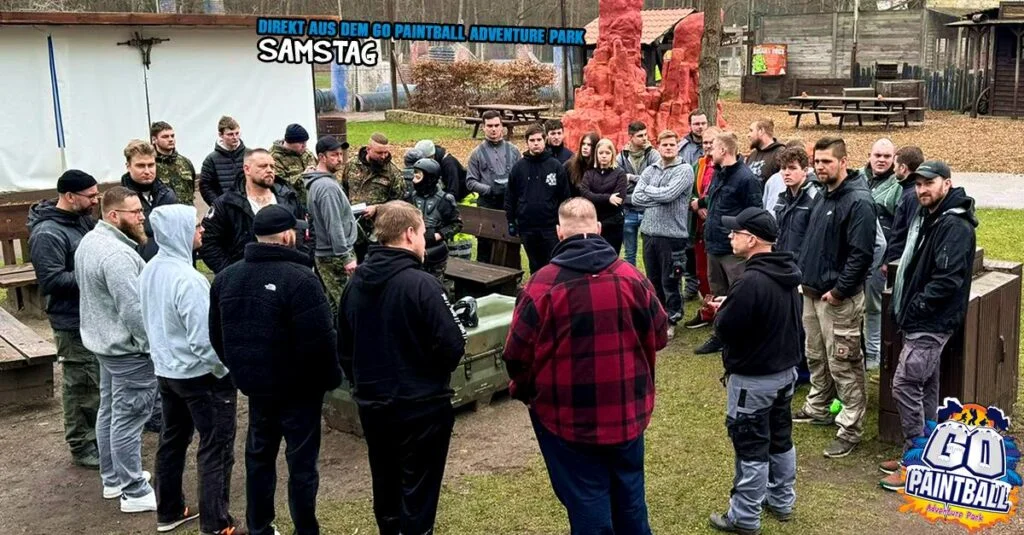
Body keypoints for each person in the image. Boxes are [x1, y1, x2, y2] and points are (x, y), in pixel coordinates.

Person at [503, 197, 668, 535]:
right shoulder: (632, 278)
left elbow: (516, 356)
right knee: (630, 497)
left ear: (559, 233)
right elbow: (659, 334)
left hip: (568, 417)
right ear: (599, 229)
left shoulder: (541, 286)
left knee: (588, 501)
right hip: (625, 411)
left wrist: (526, 391)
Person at [210, 205, 341, 535]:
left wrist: (242, 369)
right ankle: (305, 529)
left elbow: (217, 336)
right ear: (286, 236)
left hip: (257, 388)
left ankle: (259, 526)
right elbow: (321, 341)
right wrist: (329, 379)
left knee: (259, 457)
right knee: (302, 464)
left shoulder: (226, 278)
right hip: (300, 392)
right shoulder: (302, 280)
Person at [338, 200, 467, 535]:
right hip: (421, 406)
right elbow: (452, 344)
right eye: (422, 233)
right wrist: (431, 376)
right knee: (419, 491)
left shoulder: (354, 284)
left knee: (386, 483)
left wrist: (362, 383)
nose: (424, 241)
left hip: (374, 405)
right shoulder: (422, 285)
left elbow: (345, 346)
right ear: (410, 234)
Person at [139, 204, 241, 534]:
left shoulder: (151, 269)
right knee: (216, 447)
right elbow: (203, 339)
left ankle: (168, 509)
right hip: (200, 376)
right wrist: (223, 370)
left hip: (167, 372)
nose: (202, 231)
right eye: (196, 226)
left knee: (172, 440)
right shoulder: (190, 280)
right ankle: (217, 523)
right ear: (179, 232)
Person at [879, 161, 978, 491]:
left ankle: (915, 462)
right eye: (918, 184)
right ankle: (932, 454)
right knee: (925, 387)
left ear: (946, 184)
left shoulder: (954, 225)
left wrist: (916, 306)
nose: (922, 190)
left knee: (905, 384)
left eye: (929, 183)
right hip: (923, 319)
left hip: (930, 322)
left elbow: (947, 280)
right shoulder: (931, 217)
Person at [707, 207, 802, 534]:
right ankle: (782, 500)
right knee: (780, 439)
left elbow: (726, 328)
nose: (730, 236)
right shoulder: (787, 271)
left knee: (751, 448)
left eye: (735, 232)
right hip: (785, 373)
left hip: (754, 380)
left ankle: (744, 517)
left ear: (752, 239)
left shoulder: (750, 281)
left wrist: (723, 311)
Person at [793, 137, 876, 459]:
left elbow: (861, 254)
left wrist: (840, 290)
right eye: (817, 161)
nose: (820, 167)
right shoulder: (822, 194)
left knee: (844, 362)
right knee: (815, 355)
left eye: (827, 161)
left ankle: (850, 427)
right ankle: (820, 406)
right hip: (811, 293)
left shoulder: (858, 201)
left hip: (838, 300)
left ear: (843, 161)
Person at [75, 186, 156, 512]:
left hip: (103, 344)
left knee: (110, 411)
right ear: (113, 215)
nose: (142, 218)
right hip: (127, 351)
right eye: (135, 213)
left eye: (141, 211)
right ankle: (134, 491)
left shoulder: (90, 241)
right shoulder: (118, 256)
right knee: (129, 419)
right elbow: (134, 311)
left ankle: (113, 479)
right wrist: (150, 346)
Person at [27, 170, 100, 468]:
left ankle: (98, 436)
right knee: (80, 383)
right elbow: (52, 280)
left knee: (96, 380)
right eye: (90, 196)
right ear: (70, 197)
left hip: (91, 313)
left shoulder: (81, 220)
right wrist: (95, 274)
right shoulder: (48, 234)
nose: (95, 200)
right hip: (70, 320)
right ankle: (81, 444)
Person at [695, 131, 763, 355]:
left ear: (723, 150)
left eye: (713, 147)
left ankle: (744, 338)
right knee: (718, 292)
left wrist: (744, 241)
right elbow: (716, 200)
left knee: (739, 294)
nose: (709, 151)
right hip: (713, 244)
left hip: (733, 250)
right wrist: (700, 203)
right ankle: (720, 335)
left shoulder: (746, 178)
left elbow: (755, 212)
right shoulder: (718, 173)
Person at [199, 148, 309, 274]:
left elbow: (306, 232)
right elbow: (208, 242)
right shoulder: (227, 203)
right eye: (263, 166)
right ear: (247, 169)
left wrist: (301, 264)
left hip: (288, 274)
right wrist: (231, 273)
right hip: (245, 275)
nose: (269, 170)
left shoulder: (289, 197)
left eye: (272, 166)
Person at [632, 129, 695, 339]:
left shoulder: (684, 170)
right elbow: (636, 198)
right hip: (649, 233)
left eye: (672, 144)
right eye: (664, 145)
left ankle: (671, 319)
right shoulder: (651, 169)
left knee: (670, 281)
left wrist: (650, 190)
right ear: (658, 146)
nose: (668, 148)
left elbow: (669, 195)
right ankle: (656, 317)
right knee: (653, 280)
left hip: (672, 236)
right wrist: (658, 195)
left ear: (677, 147)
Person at [303, 136, 360, 320]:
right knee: (349, 305)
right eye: (334, 155)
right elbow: (333, 224)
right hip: (335, 255)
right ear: (322, 157)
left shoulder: (321, 181)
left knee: (334, 305)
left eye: (341, 154)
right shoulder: (327, 187)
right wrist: (346, 257)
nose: (340, 159)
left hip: (329, 253)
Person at [858, 138, 902, 371]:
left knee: (874, 307)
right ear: (869, 156)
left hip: (880, 257)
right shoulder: (857, 178)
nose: (881, 160)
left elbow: (900, 228)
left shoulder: (898, 186)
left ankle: (874, 355)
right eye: (877, 155)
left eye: (887, 156)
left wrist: (887, 261)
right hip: (855, 253)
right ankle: (856, 351)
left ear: (894, 159)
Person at [505, 124, 572, 274]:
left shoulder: (555, 166)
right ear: (527, 142)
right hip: (527, 226)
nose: (536, 143)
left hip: (550, 227)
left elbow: (565, 197)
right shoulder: (518, 168)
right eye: (532, 140)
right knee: (534, 265)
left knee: (552, 264)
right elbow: (510, 197)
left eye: (539, 140)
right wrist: (511, 221)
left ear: (544, 140)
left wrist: (563, 222)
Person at [340, 132, 407, 263]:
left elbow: (399, 205)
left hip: (378, 231)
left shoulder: (393, 173)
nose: (383, 156)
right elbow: (344, 189)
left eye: (386, 152)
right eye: (379, 153)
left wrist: (377, 208)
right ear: (368, 149)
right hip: (352, 227)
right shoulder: (352, 165)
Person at [466, 110, 522, 263]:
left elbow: (521, 177)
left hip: (509, 205)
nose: (493, 129)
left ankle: (513, 275)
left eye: (497, 125)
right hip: (487, 204)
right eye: (490, 126)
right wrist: (489, 190)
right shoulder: (476, 153)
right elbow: (470, 182)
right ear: (483, 127)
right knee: (485, 245)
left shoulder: (514, 151)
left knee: (512, 244)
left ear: (502, 126)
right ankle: (483, 276)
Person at [404, 158, 463, 294]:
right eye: (414, 174)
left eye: (419, 176)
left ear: (429, 178)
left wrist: (437, 236)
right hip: (412, 251)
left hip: (435, 252)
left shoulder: (444, 200)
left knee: (433, 289)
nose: (414, 179)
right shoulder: (410, 198)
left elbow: (457, 224)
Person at [682, 128, 720, 330]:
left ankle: (720, 311)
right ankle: (707, 310)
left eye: (711, 142)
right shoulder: (699, 165)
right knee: (701, 270)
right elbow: (690, 192)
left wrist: (706, 205)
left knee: (717, 273)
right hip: (698, 225)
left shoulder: (724, 167)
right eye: (705, 142)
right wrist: (696, 206)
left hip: (718, 227)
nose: (707, 146)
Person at [120, 140, 179, 262]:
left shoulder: (168, 195)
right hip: (137, 265)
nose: (147, 171)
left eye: (151, 165)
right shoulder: (118, 200)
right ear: (128, 166)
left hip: (169, 263)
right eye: (140, 166)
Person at [616, 121, 660, 266]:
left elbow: (655, 180)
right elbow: (619, 183)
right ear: (630, 137)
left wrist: (631, 178)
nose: (644, 138)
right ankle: (631, 279)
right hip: (628, 210)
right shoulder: (621, 157)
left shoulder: (653, 154)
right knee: (629, 254)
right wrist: (642, 183)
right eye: (640, 136)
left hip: (648, 209)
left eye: (645, 134)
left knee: (651, 253)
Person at [579, 138, 627, 254]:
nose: (604, 156)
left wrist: (595, 197)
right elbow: (585, 194)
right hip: (593, 223)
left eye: (607, 153)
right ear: (596, 154)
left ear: (612, 154)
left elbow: (618, 199)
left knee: (611, 256)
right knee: (592, 255)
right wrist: (608, 198)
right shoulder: (589, 173)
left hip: (613, 224)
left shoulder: (620, 174)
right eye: (601, 153)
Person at [883, 146, 925, 274]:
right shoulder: (910, 192)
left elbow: (909, 233)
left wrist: (889, 261)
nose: (893, 169)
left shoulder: (911, 196)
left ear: (903, 168)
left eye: (895, 165)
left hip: (900, 263)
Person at [199, 116, 247, 205]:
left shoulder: (250, 155)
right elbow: (205, 186)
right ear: (220, 135)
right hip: (225, 207)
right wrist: (218, 205)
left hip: (249, 206)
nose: (235, 137)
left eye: (237, 133)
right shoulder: (211, 159)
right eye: (230, 134)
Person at [151, 121, 198, 206]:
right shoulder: (151, 165)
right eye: (165, 137)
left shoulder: (185, 162)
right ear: (154, 140)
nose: (170, 139)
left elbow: (192, 189)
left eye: (172, 136)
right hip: (164, 212)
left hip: (187, 211)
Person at [270, 123, 317, 206]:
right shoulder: (274, 158)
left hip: (312, 202)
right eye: (301, 143)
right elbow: (280, 186)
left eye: (305, 142)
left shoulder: (306, 153)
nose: (305, 146)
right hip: (292, 205)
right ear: (290, 142)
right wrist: (304, 176)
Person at [565, 132, 600, 198]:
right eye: (583, 144)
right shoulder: (570, 165)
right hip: (574, 202)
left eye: (589, 145)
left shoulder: (600, 166)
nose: (585, 147)